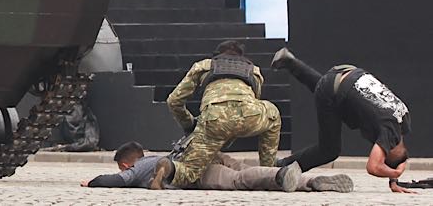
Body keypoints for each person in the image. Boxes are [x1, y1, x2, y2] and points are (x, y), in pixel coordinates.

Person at [271, 47, 415, 194]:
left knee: (327, 90)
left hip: (348, 73)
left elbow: (395, 152)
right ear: (387, 151)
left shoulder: (403, 118)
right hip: (333, 88)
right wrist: (394, 174)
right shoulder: (388, 134)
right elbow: (373, 167)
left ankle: (289, 61)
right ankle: (282, 166)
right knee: (329, 150)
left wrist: (393, 182)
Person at [149, 40, 282, 189]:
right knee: (273, 115)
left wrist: (189, 124)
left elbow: (173, 101)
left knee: (189, 172)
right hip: (249, 115)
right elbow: (252, 101)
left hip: (214, 120)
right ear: (242, 56)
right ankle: (268, 171)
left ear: (216, 55)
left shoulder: (203, 66)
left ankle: (168, 169)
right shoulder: (254, 70)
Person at [80, 140, 353, 192]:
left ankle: (283, 175)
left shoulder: (142, 167)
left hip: (191, 169)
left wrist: (92, 182)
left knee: (239, 180)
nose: (123, 171)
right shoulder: (154, 156)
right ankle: (310, 182)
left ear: (128, 162)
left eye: (122, 167)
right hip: (203, 154)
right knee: (243, 167)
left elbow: (119, 181)